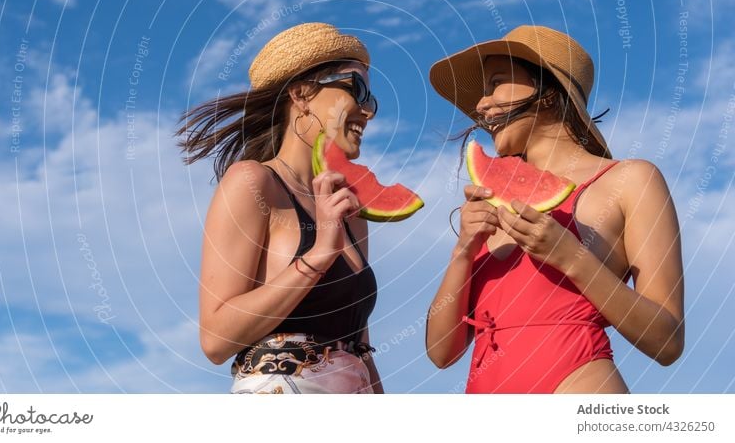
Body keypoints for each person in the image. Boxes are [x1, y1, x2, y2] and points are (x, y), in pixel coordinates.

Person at [425, 25, 684, 393]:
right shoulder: (491, 198)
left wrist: (571, 258)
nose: (481, 105)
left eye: (496, 83)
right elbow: (440, 353)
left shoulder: (631, 180)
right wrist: (463, 251)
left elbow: (667, 341)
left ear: (548, 93)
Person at [177, 22, 383, 394]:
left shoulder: (347, 208)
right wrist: (320, 254)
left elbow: (359, 347)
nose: (368, 111)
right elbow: (215, 340)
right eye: (359, 90)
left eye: (371, 99)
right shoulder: (253, 183)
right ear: (302, 95)